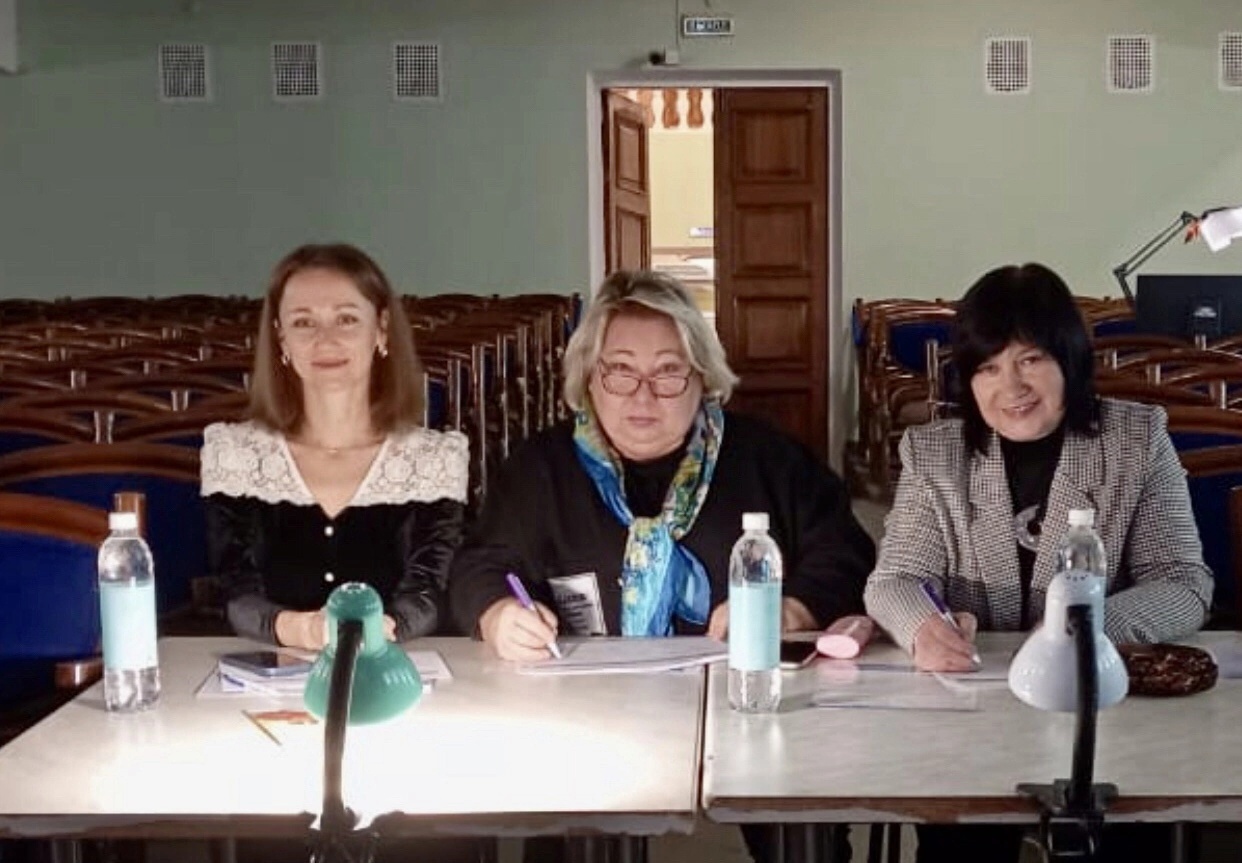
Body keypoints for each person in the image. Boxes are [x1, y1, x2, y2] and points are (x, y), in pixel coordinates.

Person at [449, 269, 875, 863]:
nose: (643, 395)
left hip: (748, 696)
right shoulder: (540, 468)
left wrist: (793, 608)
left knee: (799, 816)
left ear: (703, 377)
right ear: (589, 377)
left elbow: (846, 552)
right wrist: (497, 613)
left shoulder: (767, 458)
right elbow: (479, 564)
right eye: (620, 370)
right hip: (585, 706)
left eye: (669, 372)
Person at [864, 262, 1213, 863]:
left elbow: (1182, 582)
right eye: (988, 367)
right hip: (976, 714)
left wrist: (1075, 635)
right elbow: (895, 579)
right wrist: (923, 627)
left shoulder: (1136, 440)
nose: (1011, 386)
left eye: (1030, 360)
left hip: (1106, 710)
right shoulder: (935, 452)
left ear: (1069, 359)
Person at [199, 244, 484, 863]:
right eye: (303, 321)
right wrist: (297, 628)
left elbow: (428, 588)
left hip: (400, 697)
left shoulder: (432, 456)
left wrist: (377, 631)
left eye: (346, 318)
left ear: (381, 330)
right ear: (280, 340)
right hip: (273, 707)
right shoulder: (236, 454)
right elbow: (234, 589)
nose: (325, 338)